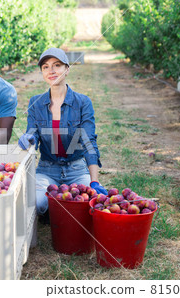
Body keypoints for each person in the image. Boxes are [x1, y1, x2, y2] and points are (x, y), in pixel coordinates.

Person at [18, 48, 108, 222]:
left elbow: (89, 142)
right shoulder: (35, 103)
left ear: (67, 69)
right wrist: (29, 139)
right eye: (45, 67)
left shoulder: (82, 103)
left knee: (89, 203)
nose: (51, 71)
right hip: (47, 169)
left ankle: (60, 205)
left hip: (76, 168)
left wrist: (94, 181)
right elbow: (33, 134)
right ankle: (56, 205)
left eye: (57, 65)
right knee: (37, 203)